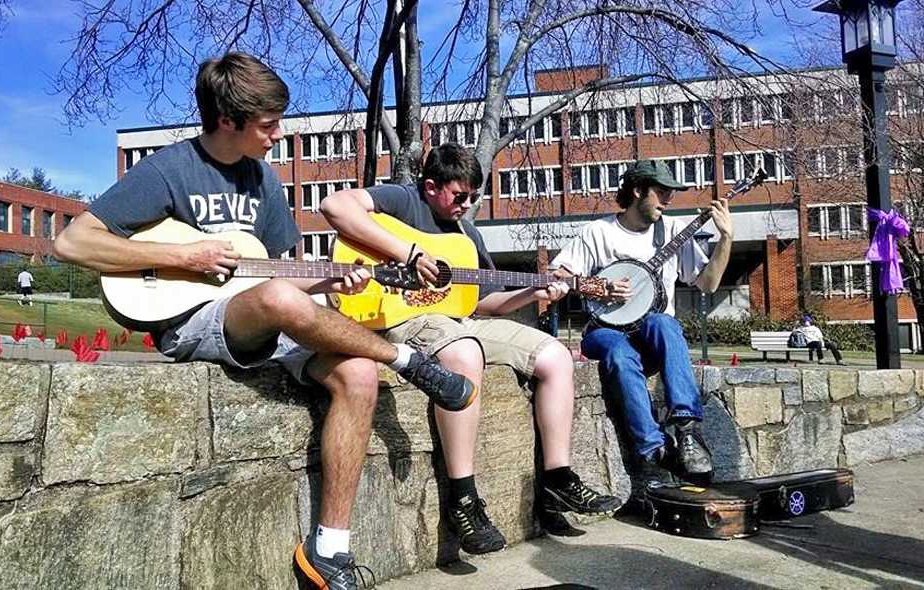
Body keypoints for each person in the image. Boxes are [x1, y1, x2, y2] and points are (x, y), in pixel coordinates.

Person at [52, 53, 477, 590]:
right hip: (190, 320)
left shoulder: (263, 181)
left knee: (358, 375)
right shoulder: (170, 168)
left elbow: (284, 276)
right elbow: (71, 242)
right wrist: (185, 257)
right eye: (269, 125)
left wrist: (330, 281)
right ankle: (409, 359)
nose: (278, 135)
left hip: (265, 313)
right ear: (229, 121)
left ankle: (329, 549)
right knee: (280, 299)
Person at [321, 143, 621, 557]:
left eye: (474, 197)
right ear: (430, 186)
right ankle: (463, 498)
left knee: (554, 355)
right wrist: (409, 253)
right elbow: (334, 205)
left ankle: (558, 478)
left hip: (458, 320)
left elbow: (481, 301)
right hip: (400, 319)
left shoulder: (467, 234)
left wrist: (533, 290)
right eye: (459, 195)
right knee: (463, 353)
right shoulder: (402, 199)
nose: (467, 205)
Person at [550, 160, 733, 496]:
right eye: (661, 192)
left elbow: (707, 284)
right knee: (619, 353)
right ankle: (654, 450)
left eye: (670, 194)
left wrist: (726, 238)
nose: (668, 200)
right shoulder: (599, 232)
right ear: (637, 191)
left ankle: (688, 430)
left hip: (651, 333)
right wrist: (598, 287)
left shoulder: (673, 231)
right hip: (605, 331)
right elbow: (557, 275)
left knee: (664, 322)